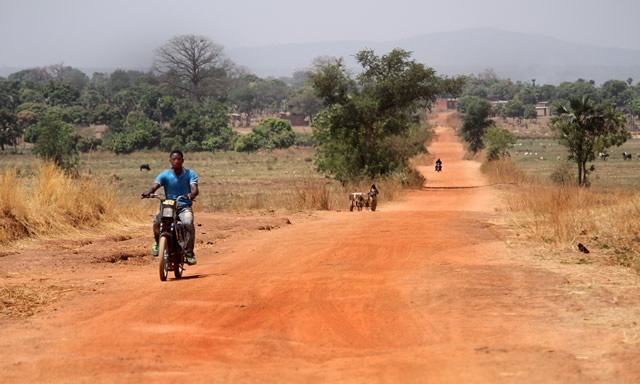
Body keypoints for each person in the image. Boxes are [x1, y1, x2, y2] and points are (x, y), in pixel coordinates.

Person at [142, 150, 199, 265]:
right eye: (174, 159)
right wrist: (149, 192)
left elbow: (194, 188)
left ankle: (189, 253)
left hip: (184, 206)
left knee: (188, 224)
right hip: (168, 206)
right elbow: (155, 185)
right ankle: (158, 243)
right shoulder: (165, 175)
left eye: (179, 159)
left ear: (183, 161)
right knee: (157, 222)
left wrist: (192, 194)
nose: (177, 161)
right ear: (170, 161)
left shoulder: (190, 174)